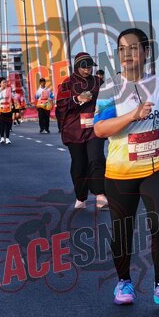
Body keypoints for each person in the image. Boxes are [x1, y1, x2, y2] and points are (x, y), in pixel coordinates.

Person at [93, 28, 159, 308]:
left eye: (133, 48)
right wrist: (132, 115)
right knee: (122, 229)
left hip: (158, 164)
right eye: (122, 49)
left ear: (146, 52)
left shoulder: (158, 83)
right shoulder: (109, 88)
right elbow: (100, 129)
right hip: (121, 170)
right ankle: (124, 282)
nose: (127, 54)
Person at [56, 52, 107, 210]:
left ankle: (100, 194)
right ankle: (81, 196)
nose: (87, 70)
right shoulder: (67, 83)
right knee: (79, 164)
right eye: (84, 67)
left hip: (94, 128)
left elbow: (109, 100)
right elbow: (60, 104)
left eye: (90, 67)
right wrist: (77, 99)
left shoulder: (98, 82)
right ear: (77, 67)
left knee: (96, 158)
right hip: (74, 130)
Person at [0, 77, 14, 144]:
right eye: (3, 82)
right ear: (0, 83)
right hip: (0, 110)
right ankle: (2, 138)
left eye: (6, 82)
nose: (5, 83)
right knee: (2, 123)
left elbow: (13, 97)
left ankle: (7, 138)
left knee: (8, 124)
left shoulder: (9, 90)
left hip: (8, 109)